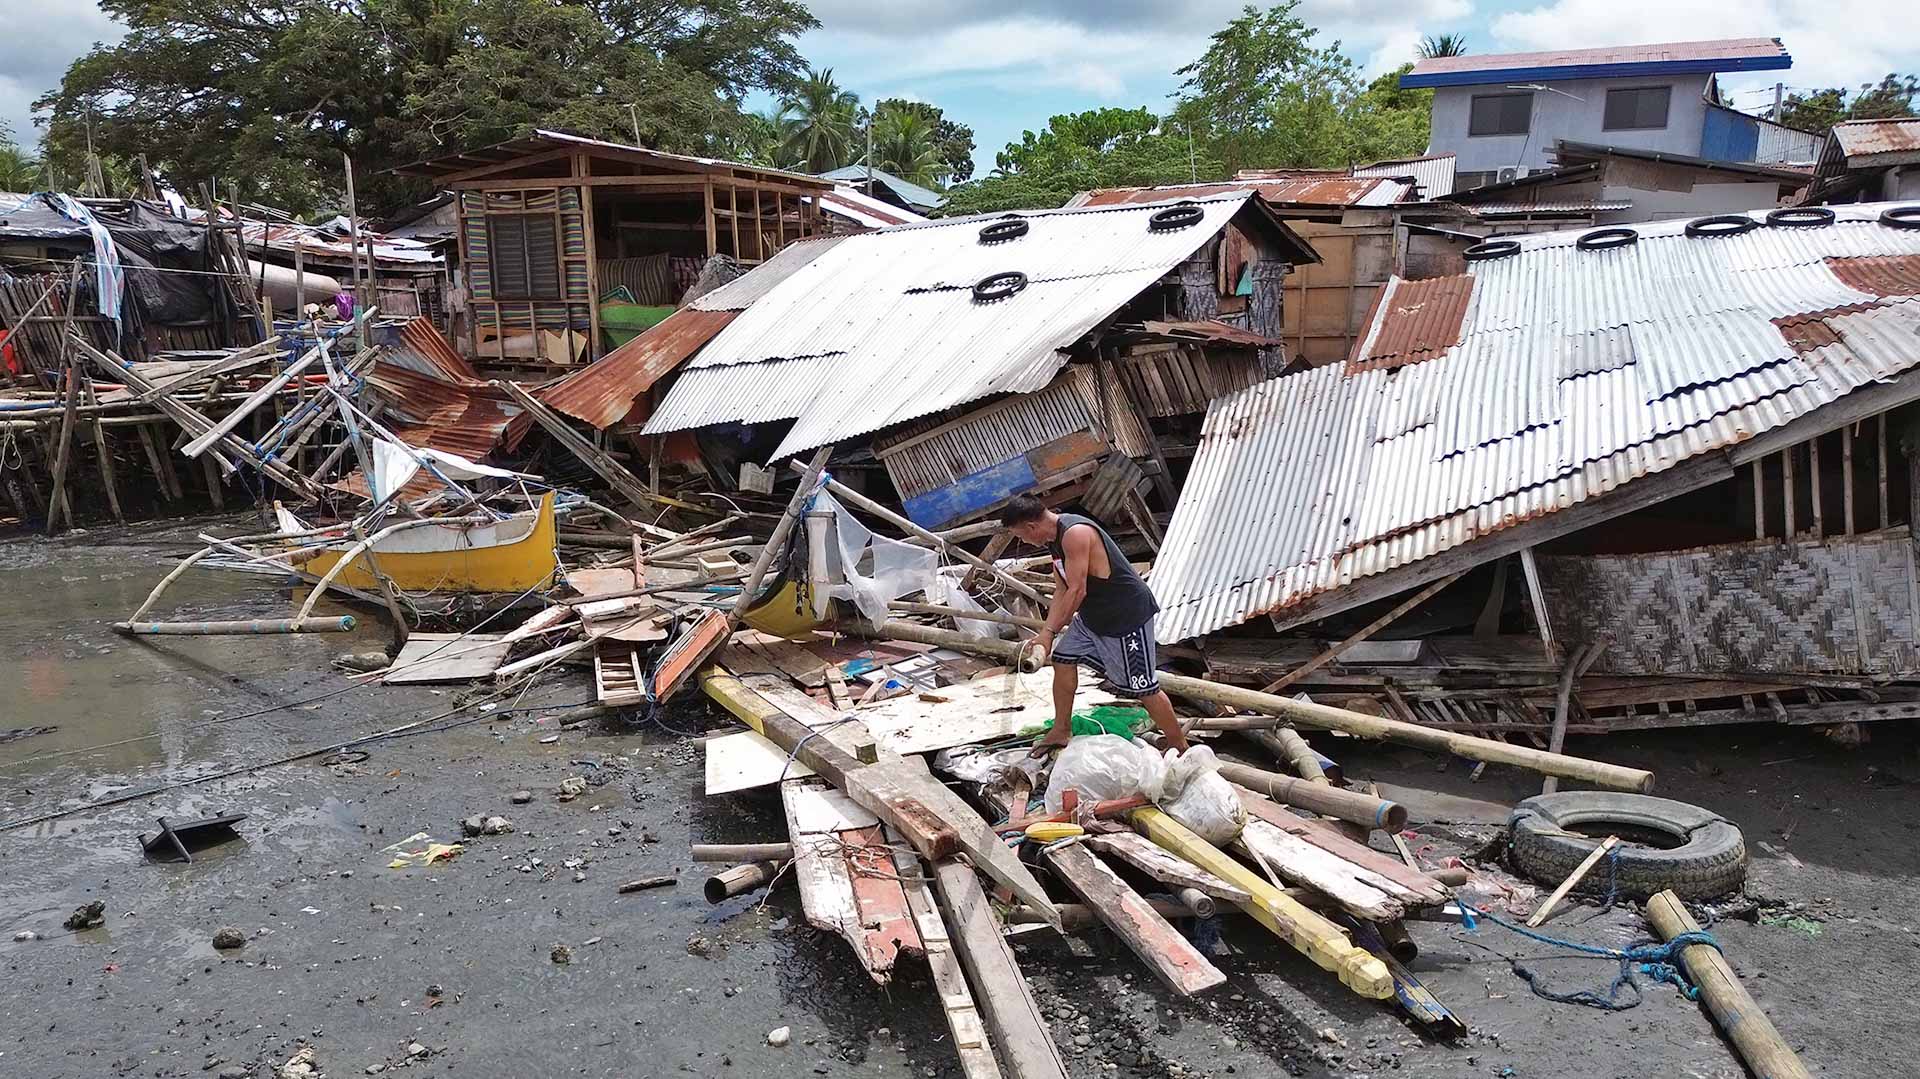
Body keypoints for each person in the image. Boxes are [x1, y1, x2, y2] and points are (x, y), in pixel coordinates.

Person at [998, 494, 1189, 757]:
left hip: (1126, 616)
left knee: (1144, 687)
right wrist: (1045, 632)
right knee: (1063, 659)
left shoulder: (1075, 533)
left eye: (1021, 536)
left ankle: (1180, 747)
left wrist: (1050, 632)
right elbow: (1061, 589)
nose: (1024, 541)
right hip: (1093, 618)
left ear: (1031, 526)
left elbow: (1077, 591)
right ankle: (1061, 729)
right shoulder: (1054, 541)